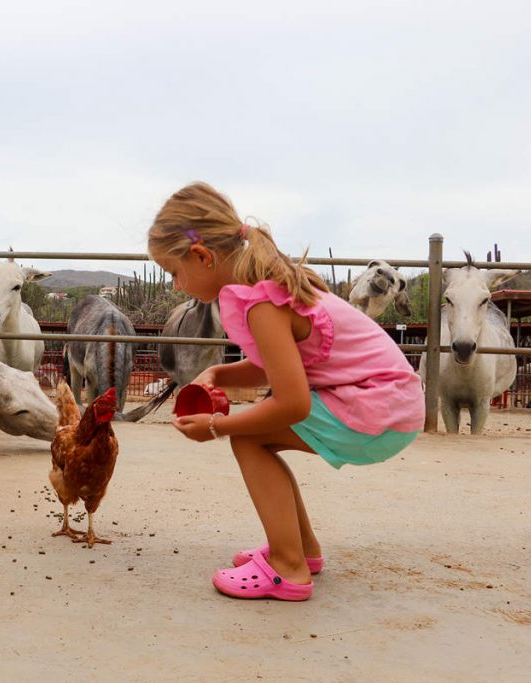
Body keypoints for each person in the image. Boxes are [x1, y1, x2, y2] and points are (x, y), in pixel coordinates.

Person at [147, 182, 423, 601]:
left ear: (203, 257)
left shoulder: (262, 303)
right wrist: (220, 374)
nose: (175, 286)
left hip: (377, 410)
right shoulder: (267, 290)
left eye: (174, 272)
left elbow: (293, 402)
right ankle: (301, 550)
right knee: (254, 435)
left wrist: (220, 425)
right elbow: (270, 368)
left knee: (249, 436)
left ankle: (288, 567)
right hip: (391, 405)